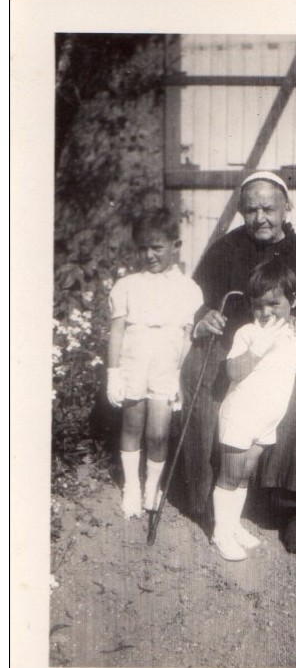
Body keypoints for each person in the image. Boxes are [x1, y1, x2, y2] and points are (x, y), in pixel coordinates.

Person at [181, 171, 296, 554]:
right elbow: (199, 301)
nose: (260, 217)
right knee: (203, 377)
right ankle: (209, 496)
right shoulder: (225, 249)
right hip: (236, 345)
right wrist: (205, 318)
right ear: (240, 211)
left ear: (287, 208)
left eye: (269, 208)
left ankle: (292, 506)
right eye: (250, 209)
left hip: (287, 348)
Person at [213, 259, 296, 561]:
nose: (265, 313)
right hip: (240, 417)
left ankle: (232, 524)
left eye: (273, 304)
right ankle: (220, 532)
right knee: (230, 476)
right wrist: (258, 346)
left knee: (244, 475)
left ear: (293, 301)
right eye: (258, 306)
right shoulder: (247, 333)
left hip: (266, 421)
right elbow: (233, 372)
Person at [106, 208, 203, 518]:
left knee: (158, 432)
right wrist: (113, 373)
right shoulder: (127, 285)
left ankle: (152, 486)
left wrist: (180, 376)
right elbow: (117, 332)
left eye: (156, 247)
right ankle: (132, 487)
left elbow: (188, 337)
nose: (149, 255)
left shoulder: (188, 289)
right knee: (132, 425)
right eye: (143, 248)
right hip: (133, 363)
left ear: (175, 245)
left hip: (166, 365)